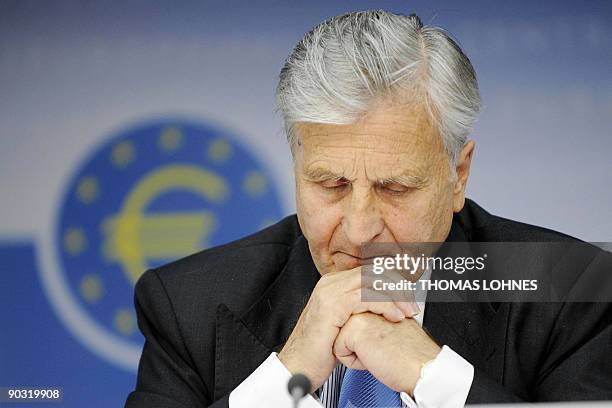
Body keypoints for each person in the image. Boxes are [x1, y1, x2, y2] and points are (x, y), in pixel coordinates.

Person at [125, 10, 612, 408]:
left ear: (457, 175)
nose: (359, 231)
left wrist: (435, 378)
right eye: (331, 184)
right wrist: (285, 381)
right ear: (296, 167)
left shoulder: (569, 290)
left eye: (396, 188)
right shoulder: (186, 303)